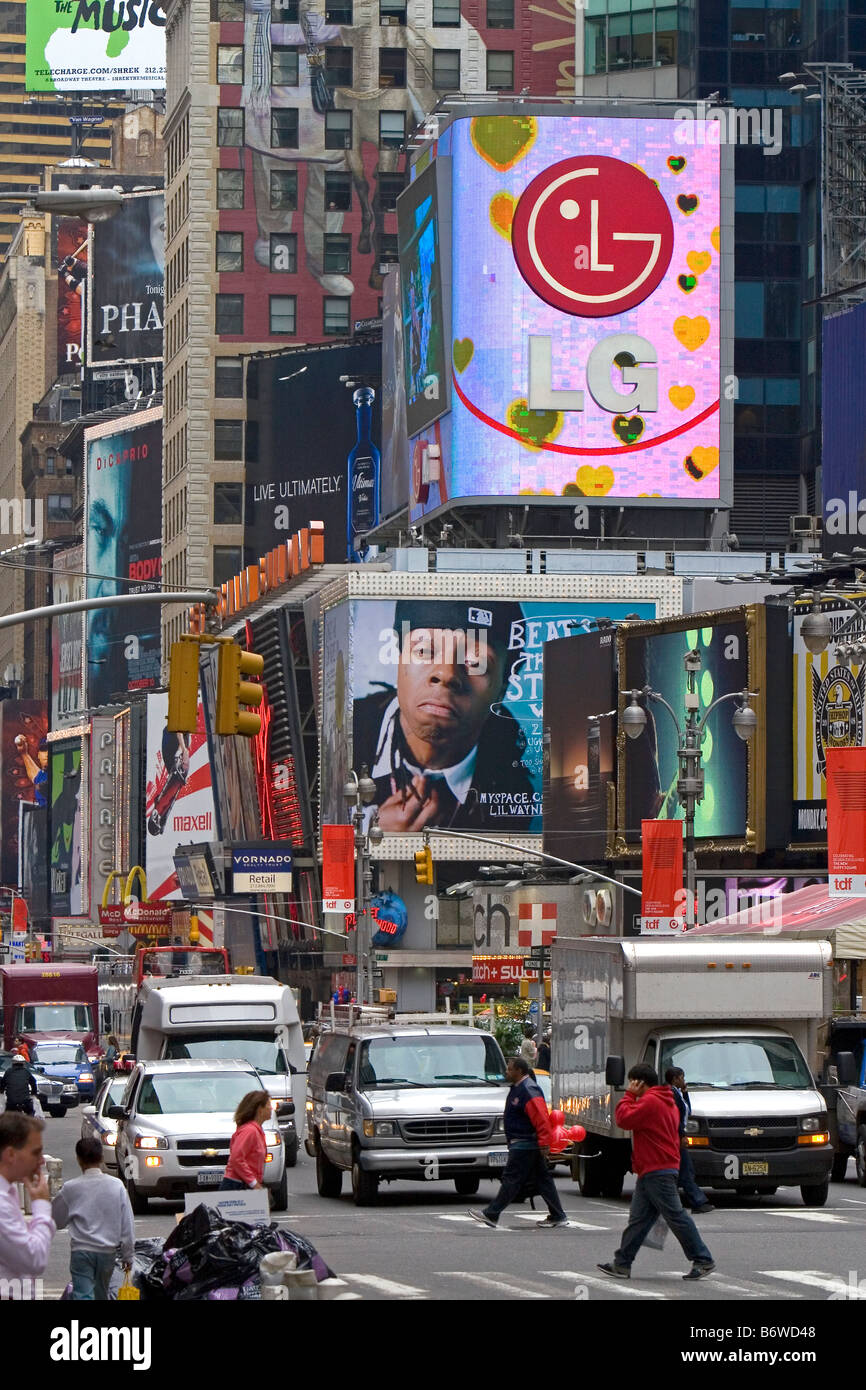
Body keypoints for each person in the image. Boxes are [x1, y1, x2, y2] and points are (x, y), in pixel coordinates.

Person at [353, 599, 535, 831]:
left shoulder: (513, 792)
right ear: (398, 660)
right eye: (423, 651)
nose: (446, 673)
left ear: (503, 687)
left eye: (475, 662)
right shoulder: (341, 737)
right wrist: (365, 834)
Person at [598, 1063, 715, 1281]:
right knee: (639, 1219)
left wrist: (628, 1097)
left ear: (640, 1083)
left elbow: (624, 1119)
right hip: (655, 1167)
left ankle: (702, 1258)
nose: (630, 1087)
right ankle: (622, 1263)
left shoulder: (651, 1101)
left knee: (676, 1216)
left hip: (657, 1168)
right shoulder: (665, 1099)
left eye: (632, 1082)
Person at [469, 1056, 568, 1230]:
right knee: (542, 1179)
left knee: (512, 1178)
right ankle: (558, 1215)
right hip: (524, 1142)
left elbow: (541, 1118)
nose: (506, 1071)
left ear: (519, 1071)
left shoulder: (528, 1090)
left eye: (509, 1069)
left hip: (525, 1143)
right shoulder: (519, 1088)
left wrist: (544, 1142)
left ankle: (492, 1213)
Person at [52, 1138, 135, 1301]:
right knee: (101, 1294)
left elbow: (55, 1220)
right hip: (107, 1252)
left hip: (81, 1251)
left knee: (83, 1294)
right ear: (102, 1158)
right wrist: (128, 1255)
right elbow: (127, 1224)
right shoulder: (116, 1186)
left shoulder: (70, 1188)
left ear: (78, 1159)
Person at [0, 1112, 55, 1294]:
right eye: (36, 1152)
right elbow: (34, 1259)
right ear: (10, 1154)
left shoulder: (9, 1192)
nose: (41, 1161)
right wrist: (41, 1206)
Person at [665, 1066, 714, 1214]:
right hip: (677, 1137)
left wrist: (685, 1093)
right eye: (682, 1078)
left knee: (685, 1170)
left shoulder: (678, 1093)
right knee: (686, 1171)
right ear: (675, 1079)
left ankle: (695, 1201)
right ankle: (697, 1201)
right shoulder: (671, 1094)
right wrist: (682, 1135)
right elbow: (676, 1118)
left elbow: (687, 1111)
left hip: (678, 1135)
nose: (684, 1080)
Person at [220, 1091, 272, 1191]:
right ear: (259, 1110)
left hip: (244, 1185)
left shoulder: (256, 1130)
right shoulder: (250, 1131)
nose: (271, 1108)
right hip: (237, 1186)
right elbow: (236, 1158)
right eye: (268, 1105)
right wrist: (254, 1183)